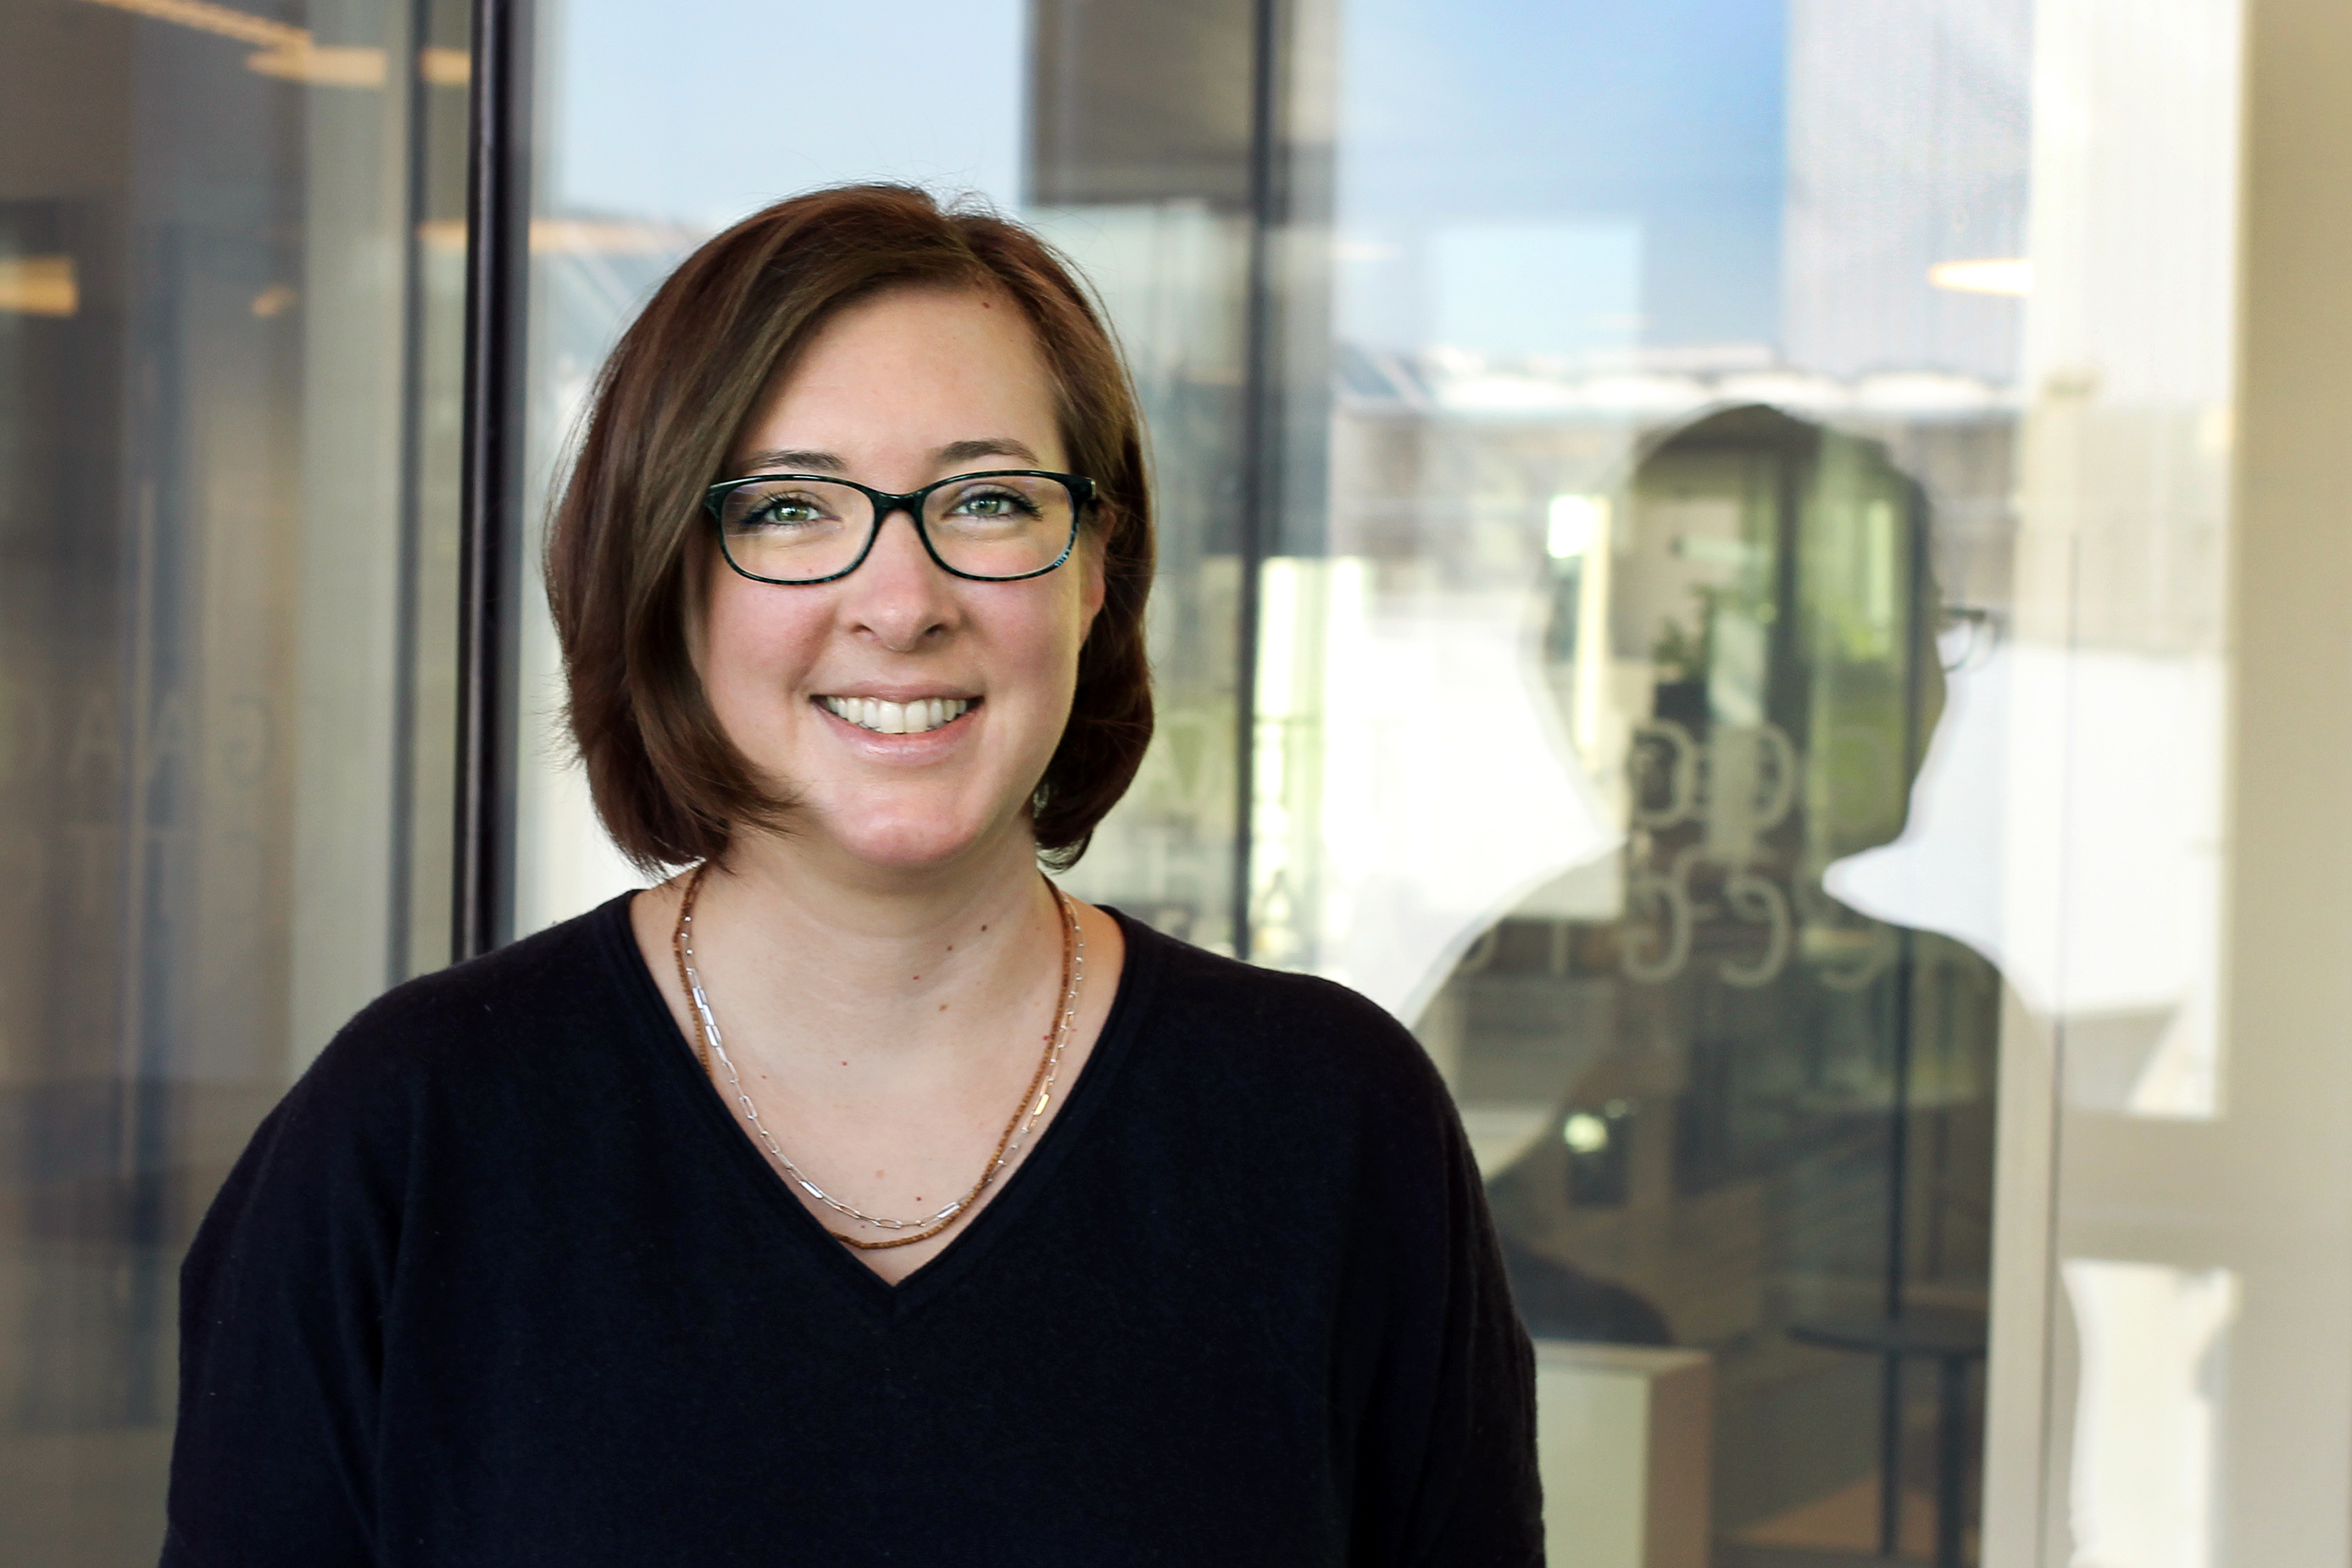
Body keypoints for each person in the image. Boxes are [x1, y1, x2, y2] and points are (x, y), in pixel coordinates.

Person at [161, 184, 1540, 1566]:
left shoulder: (1333, 1131)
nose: (900, 600)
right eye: (790, 509)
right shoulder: (405, 1140)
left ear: (1096, 570)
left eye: (990, 500)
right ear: (666, 570)